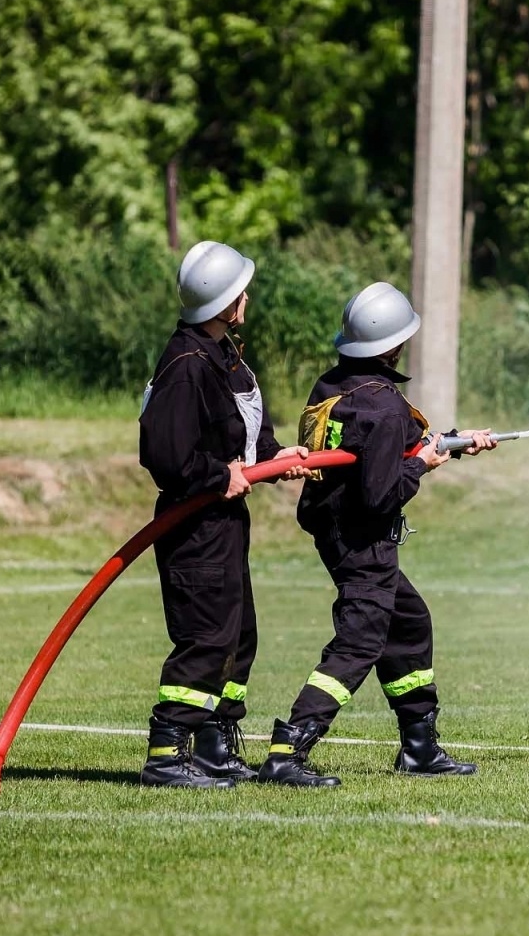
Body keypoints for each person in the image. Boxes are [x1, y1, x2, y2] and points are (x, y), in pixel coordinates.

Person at [256, 282, 494, 788]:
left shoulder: (336, 385)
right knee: (360, 640)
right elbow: (381, 494)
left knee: (408, 622)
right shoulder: (383, 405)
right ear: (392, 345)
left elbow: (383, 447)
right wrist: (425, 465)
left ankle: (419, 748)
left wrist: (453, 441)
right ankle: (287, 750)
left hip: (334, 529)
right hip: (363, 536)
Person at [137, 240, 310, 789]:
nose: (247, 297)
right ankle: (167, 752)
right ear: (228, 302)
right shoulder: (187, 364)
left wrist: (273, 455)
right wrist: (219, 474)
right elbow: (165, 454)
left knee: (238, 636)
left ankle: (213, 743)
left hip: (226, 522)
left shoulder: (222, 354)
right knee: (207, 637)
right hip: (195, 524)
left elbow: (241, 426)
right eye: (242, 289)